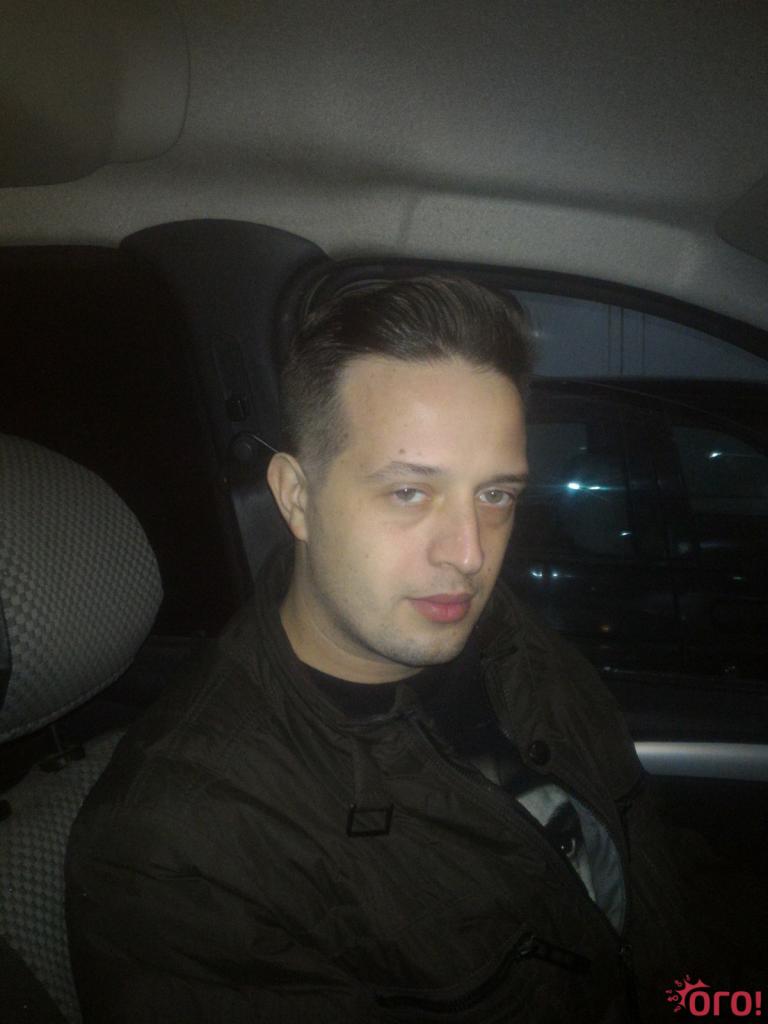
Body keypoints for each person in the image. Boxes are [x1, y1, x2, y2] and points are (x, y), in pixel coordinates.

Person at [66, 276, 694, 1023]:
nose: (469, 554)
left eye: (495, 495)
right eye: (408, 492)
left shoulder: (506, 636)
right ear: (296, 497)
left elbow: (646, 859)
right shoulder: (183, 848)